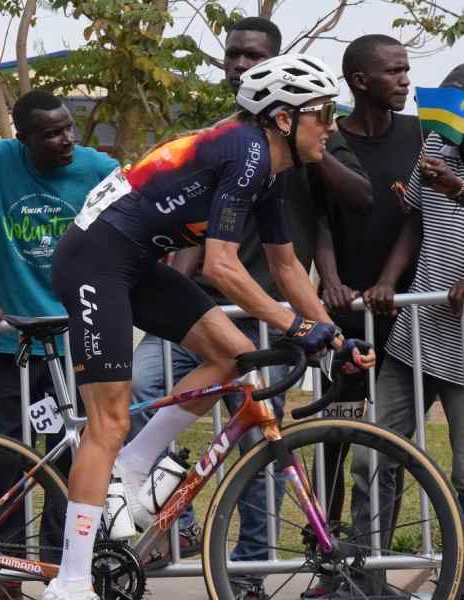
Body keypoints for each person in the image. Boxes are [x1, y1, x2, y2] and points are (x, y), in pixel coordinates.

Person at [44, 54, 375, 600]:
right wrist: (297, 327)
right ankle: (71, 584)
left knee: (234, 353)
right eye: (321, 112)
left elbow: (288, 267)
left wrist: (335, 335)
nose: (332, 125)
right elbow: (221, 265)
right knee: (108, 419)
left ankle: (131, 470)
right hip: (93, 262)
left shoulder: (272, 169)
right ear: (285, 120)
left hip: (136, 262)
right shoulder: (246, 152)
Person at [126, 19, 372, 594]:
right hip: (204, 300)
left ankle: (252, 568)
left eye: (251, 56)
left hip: (263, 307)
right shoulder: (230, 138)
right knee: (141, 395)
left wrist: (329, 333)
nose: (238, 63)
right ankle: (167, 522)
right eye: (232, 54)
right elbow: (201, 246)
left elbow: (327, 229)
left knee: (262, 440)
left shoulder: (309, 133)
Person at [0, 89, 119, 600]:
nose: (65, 139)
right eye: (50, 133)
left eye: (68, 127)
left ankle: (60, 571)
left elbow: (129, 235)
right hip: (17, 344)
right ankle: (6, 575)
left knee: (69, 457)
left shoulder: (98, 168)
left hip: (77, 342)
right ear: (22, 136)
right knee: (10, 457)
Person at [304, 34, 422, 599]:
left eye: (406, 68)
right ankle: (329, 571)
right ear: (360, 81)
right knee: (337, 442)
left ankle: (369, 570)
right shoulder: (329, 140)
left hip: (411, 317)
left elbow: (422, 217)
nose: (405, 79)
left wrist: (394, 285)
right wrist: (327, 278)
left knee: (388, 453)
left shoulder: (420, 136)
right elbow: (319, 217)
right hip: (348, 316)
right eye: (395, 71)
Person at [346, 62, 464, 598]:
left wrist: (458, 186)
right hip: (417, 332)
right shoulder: (434, 144)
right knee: (372, 457)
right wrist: (389, 281)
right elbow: (414, 220)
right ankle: (365, 580)